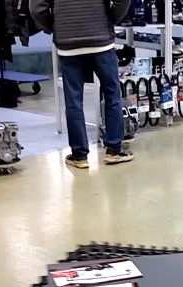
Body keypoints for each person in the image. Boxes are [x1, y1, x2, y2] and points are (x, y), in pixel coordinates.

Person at [31, 0, 134, 169]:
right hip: (101, 40)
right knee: (112, 94)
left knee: (73, 100)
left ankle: (79, 155)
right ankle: (113, 150)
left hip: (68, 43)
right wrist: (109, 20)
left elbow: (36, 8)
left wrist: (57, 25)